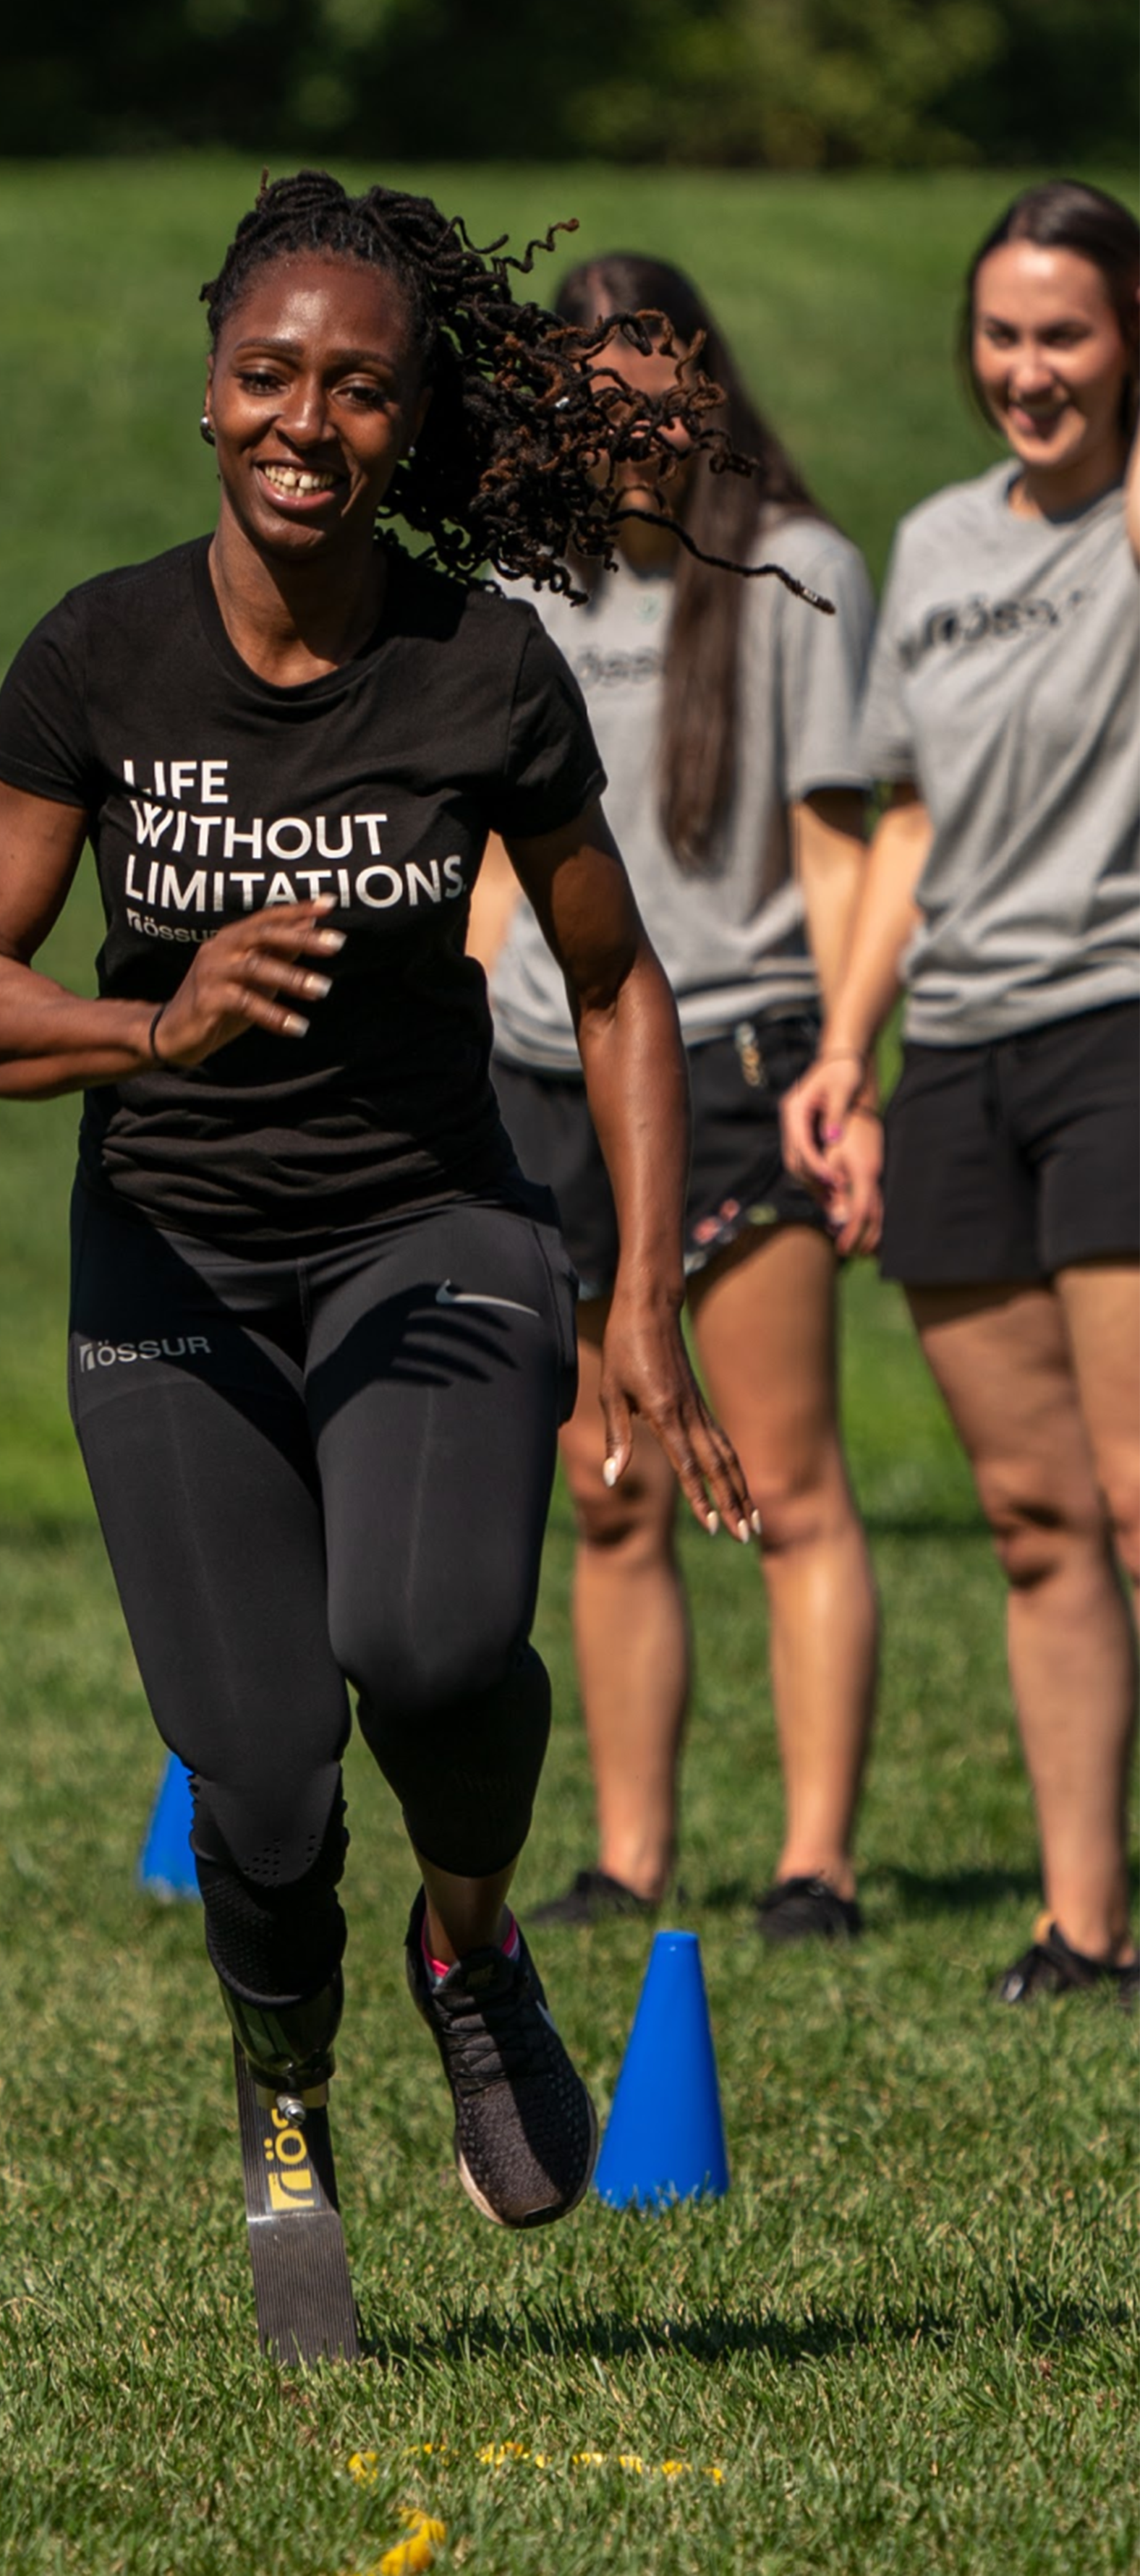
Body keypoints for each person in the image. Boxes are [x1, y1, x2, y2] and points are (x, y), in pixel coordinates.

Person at [0, 171, 753, 2230]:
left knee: (434, 1641)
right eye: (268, 375)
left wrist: (642, 1301)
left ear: (411, 424)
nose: (308, 419)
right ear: (206, 397)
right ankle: (284, 2089)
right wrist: (155, 1029)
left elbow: (618, 980)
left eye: (359, 389)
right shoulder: (98, 656)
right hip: (177, 1254)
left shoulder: (483, 670)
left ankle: (468, 1948)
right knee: (266, 1774)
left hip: (432, 1229)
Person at [470, 254, 880, 1944]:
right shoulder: (518, 589)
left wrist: (855, 1061)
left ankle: (815, 1864)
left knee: (781, 1474)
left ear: (704, 387)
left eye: (652, 403)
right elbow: (489, 856)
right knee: (609, 1484)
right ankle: (628, 1852)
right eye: (589, 407)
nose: (625, 439)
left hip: (739, 1063)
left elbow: (843, 850)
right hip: (543, 1076)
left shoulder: (798, 568)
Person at [785, 179, 1140, 2003]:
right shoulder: (932, 545)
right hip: (960, 1054)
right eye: (1001, 333)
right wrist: (848, 1053)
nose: (1028, 368)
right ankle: (1086, 1925)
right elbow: (899, 820)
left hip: (1123, 1032)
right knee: (1032, 1515)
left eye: (1066, 330)